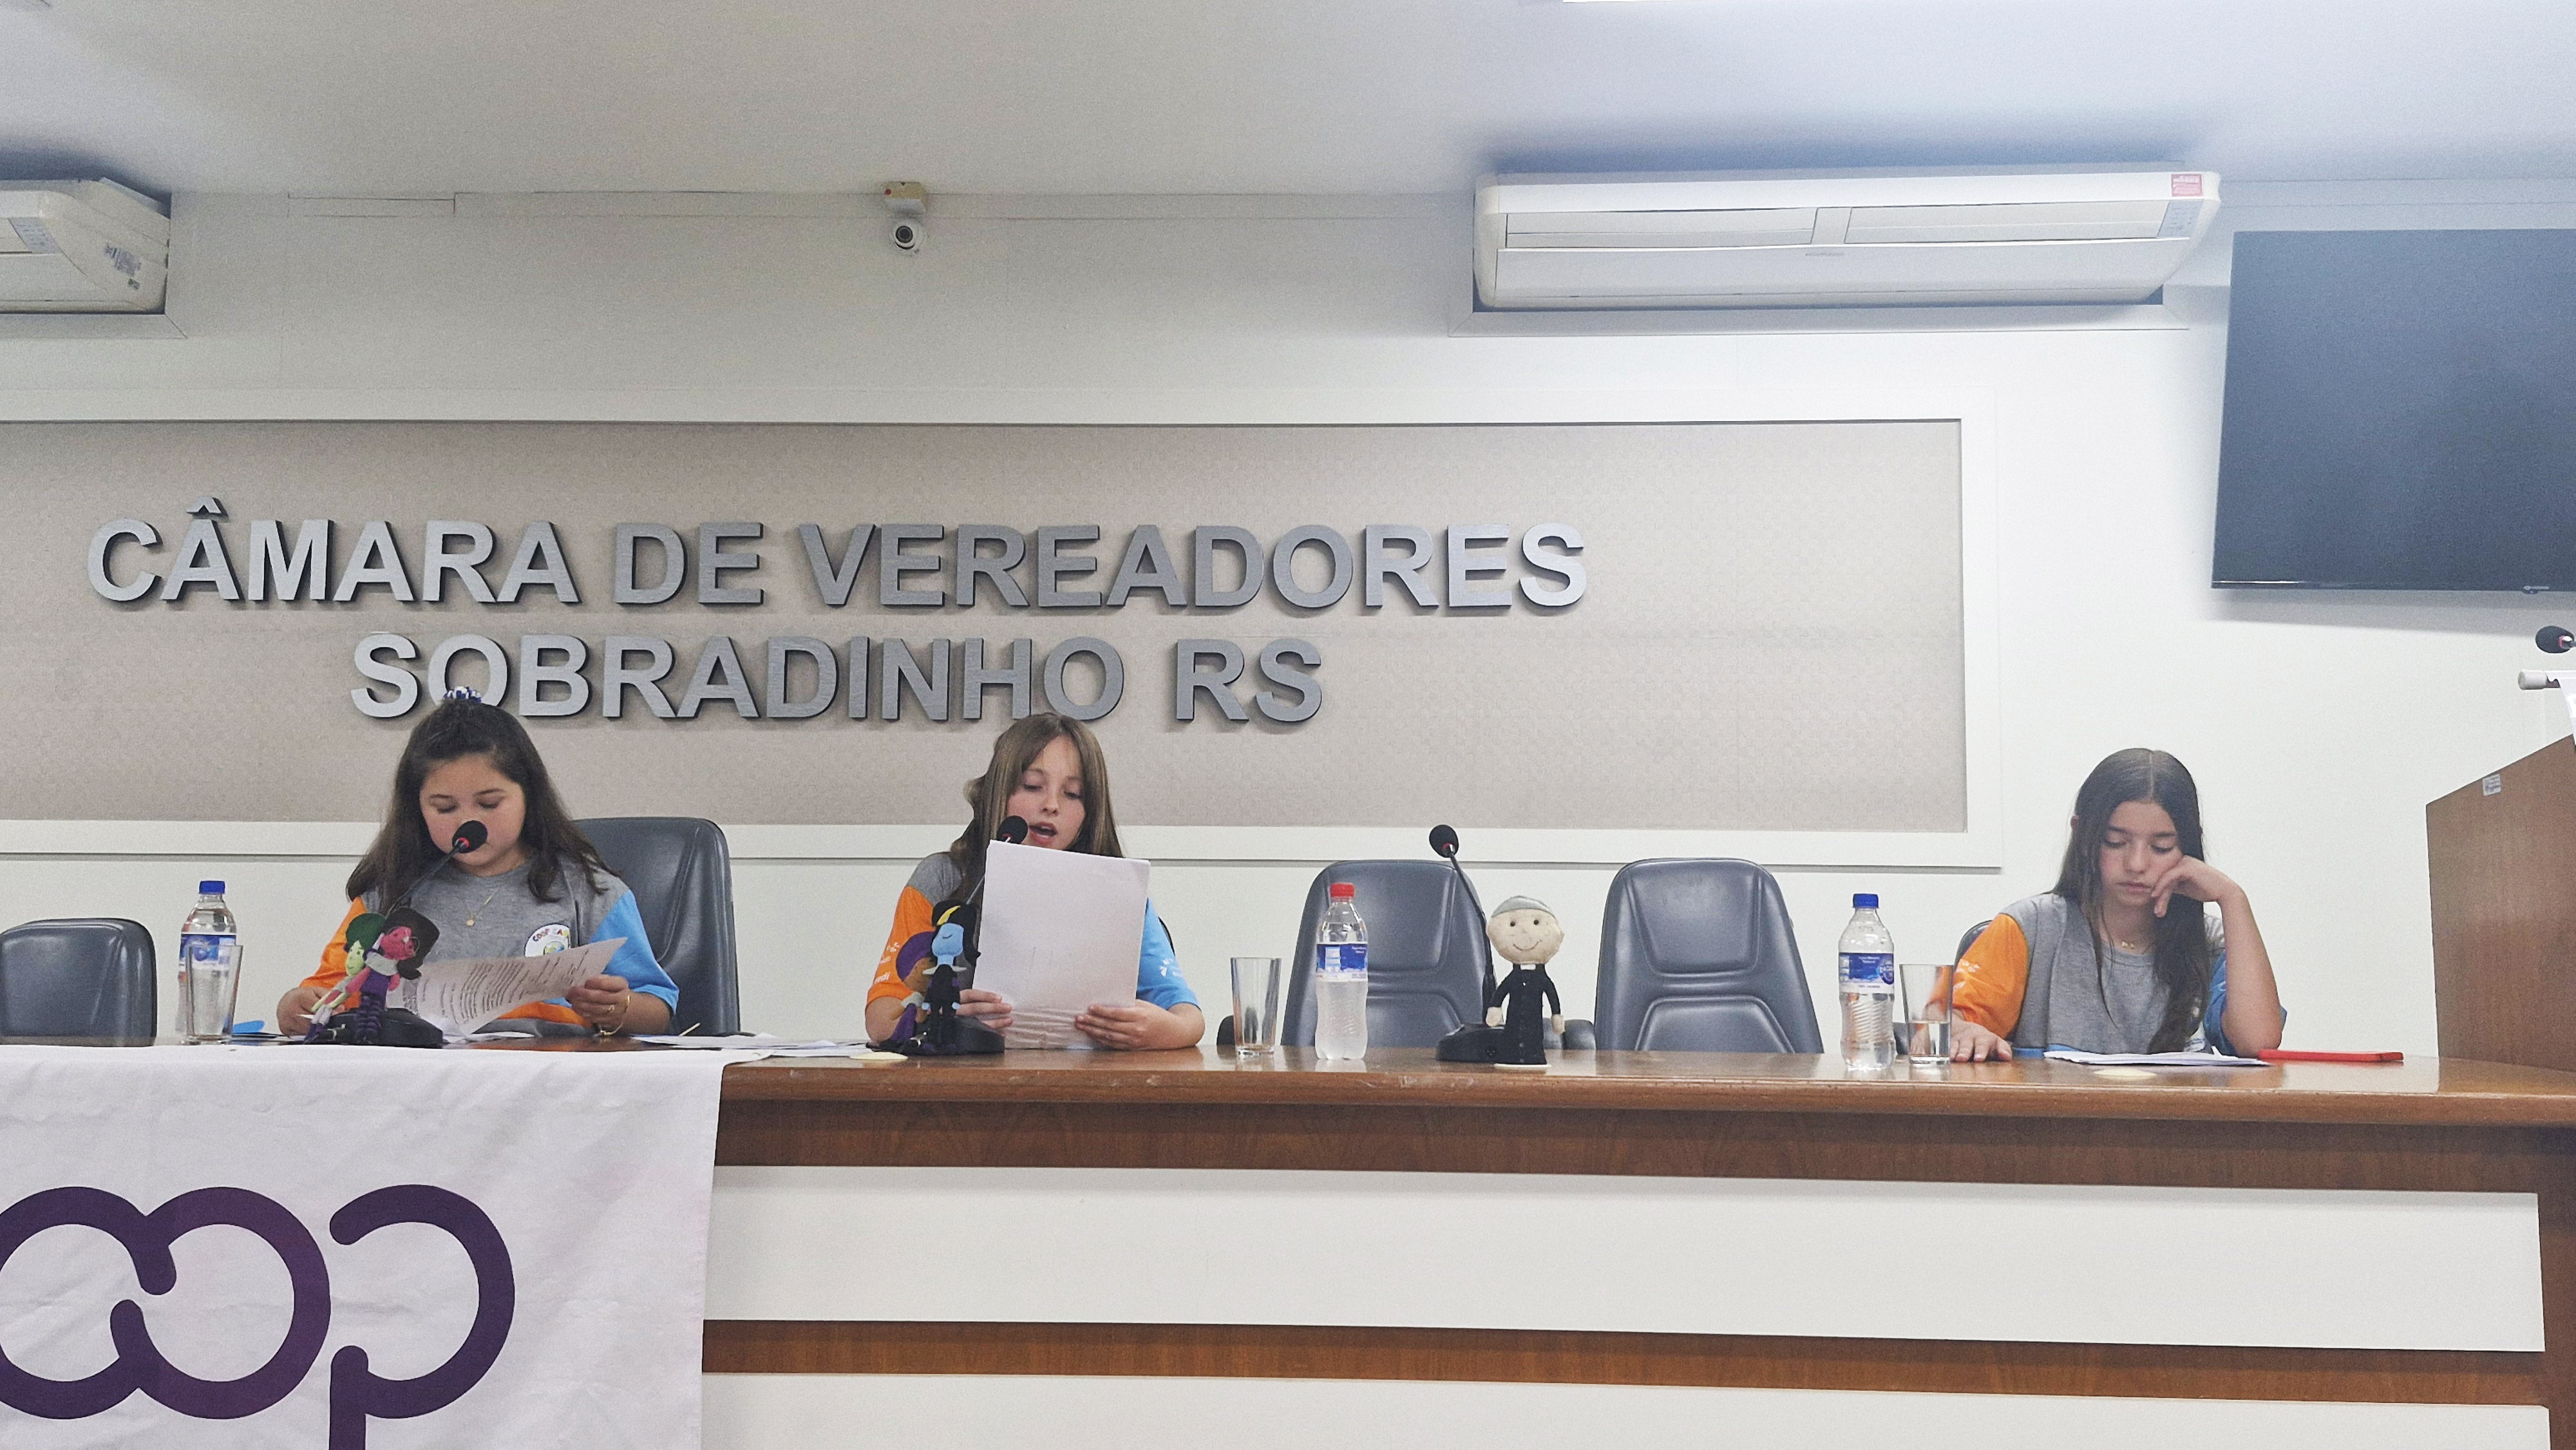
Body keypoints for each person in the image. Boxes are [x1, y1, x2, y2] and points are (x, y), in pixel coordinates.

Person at [276, 695, 678, 1037]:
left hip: (551, 1078)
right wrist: (295, 1007)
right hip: (415, 1079)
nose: (468, 821)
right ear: (418, 810)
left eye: (489, 803)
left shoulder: (590, 893)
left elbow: (659, 1011)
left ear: (528, 796)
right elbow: (328, 993)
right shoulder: (389, 895)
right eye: (444, 808)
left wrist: (618, 1008)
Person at [867, 713, 1202, 1050]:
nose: (1052, 805)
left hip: (1090, 1077)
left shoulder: (1121, 893)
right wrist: (942, 1018)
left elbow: (1190, 1019)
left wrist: (1159, 1030)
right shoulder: (943, 877)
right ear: (999, 792)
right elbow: (880, 1019)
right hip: (968, 1078)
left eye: (1073, 794)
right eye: (1032, 786)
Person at [1949, 748, 2284, 1062]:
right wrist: (1962, 1031)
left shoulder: (2211, 942)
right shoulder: (2029, 929)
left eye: (2162, 847)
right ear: (2083, 836)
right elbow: (1942, 1023)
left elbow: (2257, 1042)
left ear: (2188, 845)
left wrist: (2232, 899)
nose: (2136, 864)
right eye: (2116, 842)